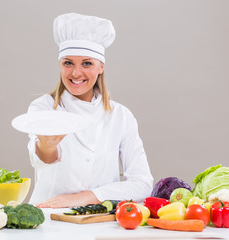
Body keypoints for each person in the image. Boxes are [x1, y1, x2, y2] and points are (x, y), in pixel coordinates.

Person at [27, 13, 153, 208]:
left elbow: (143, 184)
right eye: (68, 63)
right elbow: (43, 159)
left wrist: (89, 196)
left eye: (87, 63)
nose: (76, 73)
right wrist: (47, 146)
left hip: (98, 218)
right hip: (47, 217)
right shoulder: (44, 108)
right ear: (60, 65)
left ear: (101, 66)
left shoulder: (121, 116)